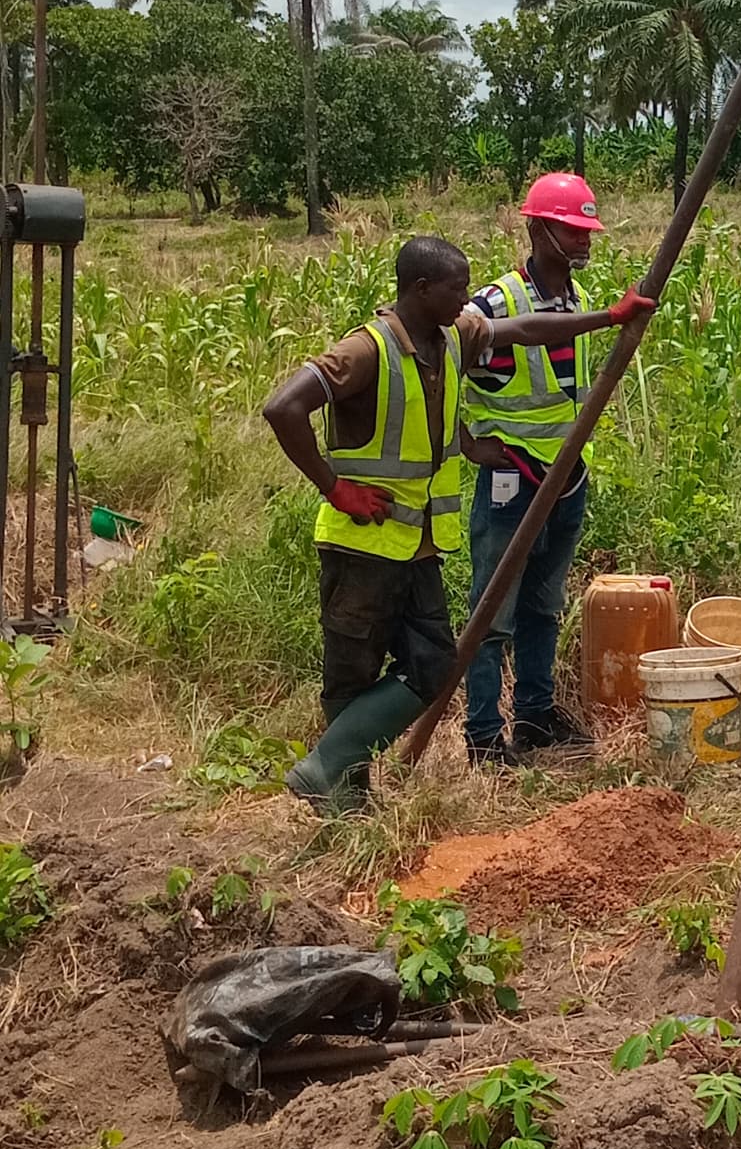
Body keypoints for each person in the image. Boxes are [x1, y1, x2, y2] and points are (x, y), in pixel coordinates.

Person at [262, 231, 644, 808]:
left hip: (418, 544)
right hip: (360, 543)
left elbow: (527, 331)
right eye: (456, 289)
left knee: (438, 665)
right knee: (353, 671)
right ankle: (342, 788)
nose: (467, 300)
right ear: (420, 289)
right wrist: (335, 487)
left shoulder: (450, 336)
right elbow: (282, 407)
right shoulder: (366, 350)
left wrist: (607, 317)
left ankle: (330, 766)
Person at [462, 171, 626, 766]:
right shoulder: (495, 304)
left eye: (587, 229)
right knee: (492, 615)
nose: (583, 240)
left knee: (543, 606)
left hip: (566, 480)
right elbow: (431, 362)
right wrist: (467, 443)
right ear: (537, 230)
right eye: (569, 229)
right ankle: (483, 737)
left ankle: (534, 716)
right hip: (512, 487)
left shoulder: (575, 301)